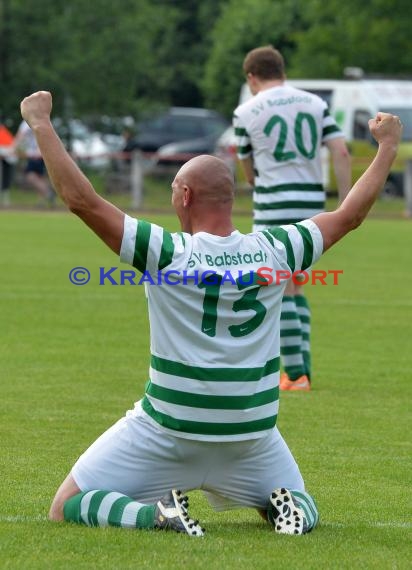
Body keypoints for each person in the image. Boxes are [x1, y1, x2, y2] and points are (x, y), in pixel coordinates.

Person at [20, 90, 401, 537]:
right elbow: (350, 214)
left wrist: (41, 123)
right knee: (299, 501)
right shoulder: (276, 248)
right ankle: (287, 512)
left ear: (184, 194)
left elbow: (82, 201)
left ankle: (156, 515)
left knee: (66, 506)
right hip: (251, 435)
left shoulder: (167, 252)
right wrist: (387, 146)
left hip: (170, 430)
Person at [233, 46, 352, 391]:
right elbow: (340, 151)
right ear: (281, 71)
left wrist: (256, 179)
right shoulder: (315, 103)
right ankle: (301, 370)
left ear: (252, 78)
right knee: (296, 283)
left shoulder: (246, 110)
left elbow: (247, 168)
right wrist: (344, 204)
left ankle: (297, 374)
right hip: (312, 206)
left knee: (279, 287)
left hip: (273, 206)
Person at [13, 119, 56, 207]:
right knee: (39, 177)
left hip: (35, 155)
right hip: (43, 153)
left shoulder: (27, 123)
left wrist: (13, 148)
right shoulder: (43, 120)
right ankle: (42, 201)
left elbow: (20, 136)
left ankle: (48, 193)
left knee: (30, 176)